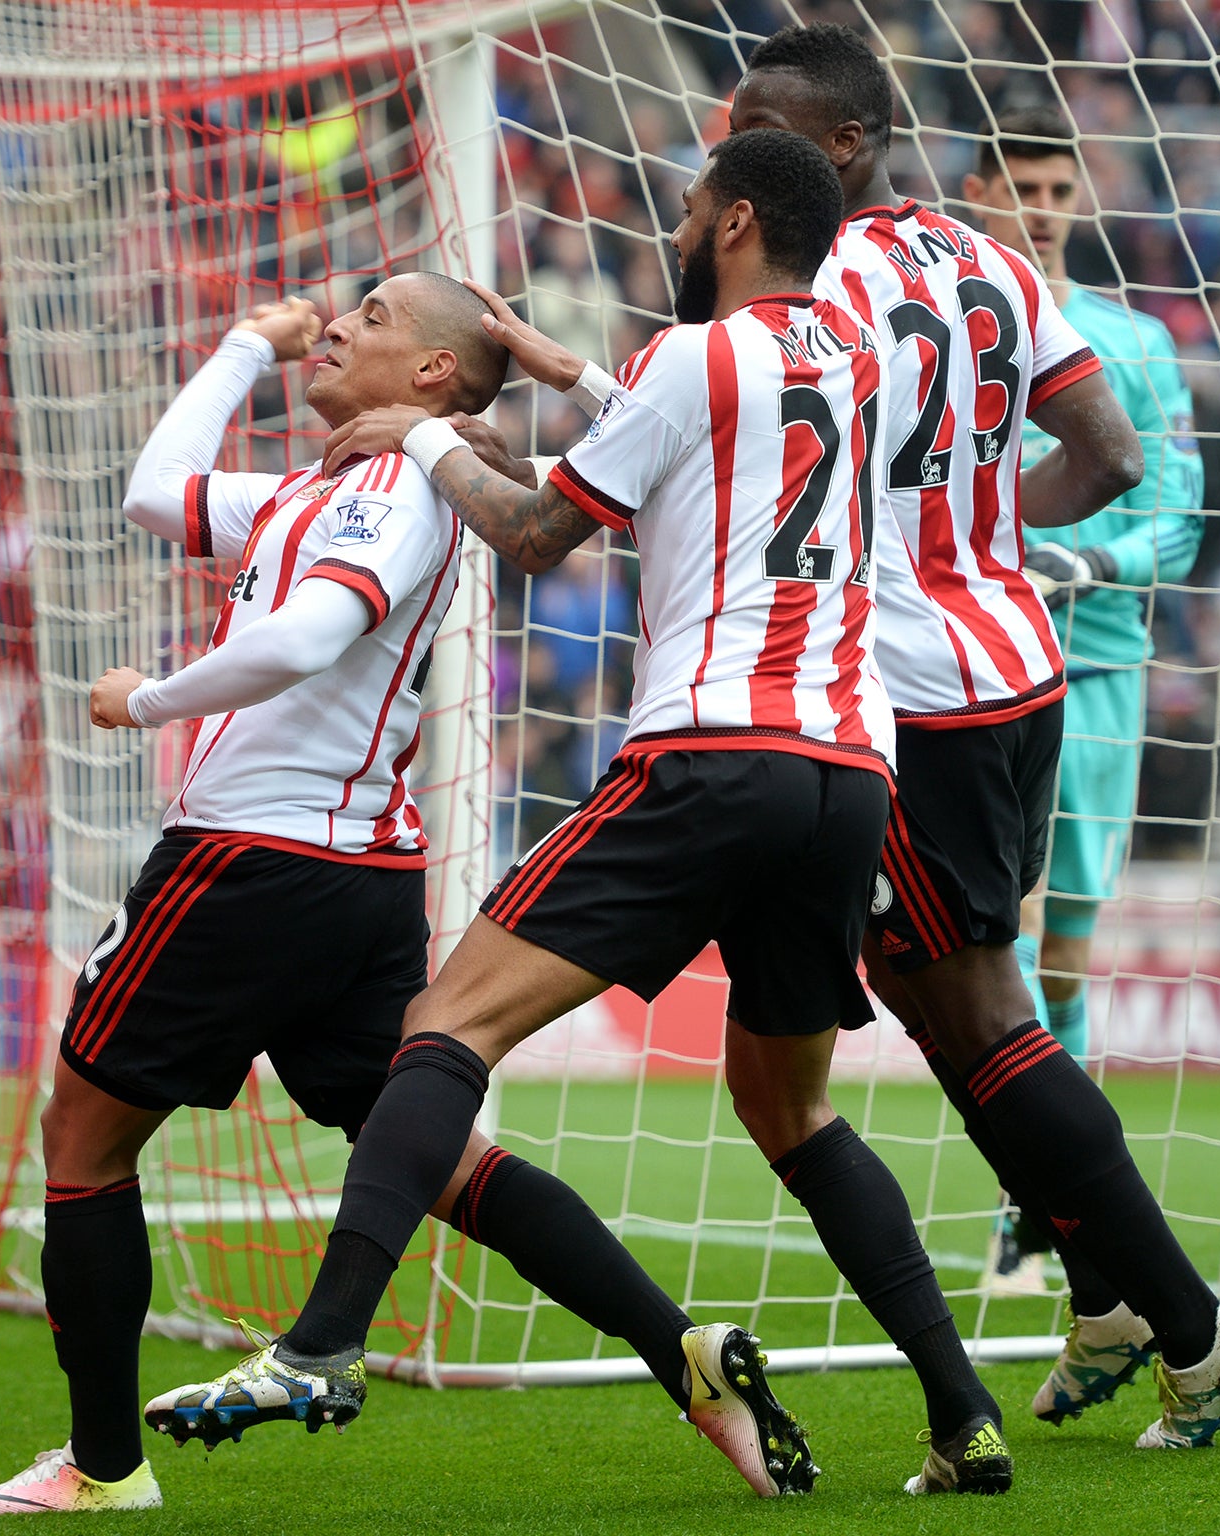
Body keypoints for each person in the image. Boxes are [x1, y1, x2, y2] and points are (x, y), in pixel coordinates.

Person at [151, 126, 1021, 1498]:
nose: (674, 228)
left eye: (688, 209)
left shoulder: (691, 357)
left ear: (734, 222)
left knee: (443, 1028)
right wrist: (564, 372)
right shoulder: (856, 358)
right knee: (790, 1113)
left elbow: (542, 533)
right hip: (850, 767)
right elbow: (729, 438)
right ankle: (963, 1413)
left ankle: (323, 1345)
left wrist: (431, 437)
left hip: (712, 751)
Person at [0, 276, 808, 1514]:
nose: (341, 320)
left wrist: (142, 700)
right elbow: (156, 492)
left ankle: (100, 1468)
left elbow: (305, 639)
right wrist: (248, 343)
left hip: (252, 860)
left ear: (432, 377)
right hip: (358, 878)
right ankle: (681, 1356)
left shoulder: (397, 485)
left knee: (82, 1138)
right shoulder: (310, 486)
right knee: (442, 1161)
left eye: (374, 313)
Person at [728, 23, 1220, 1451]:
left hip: (909, 695)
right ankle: (1105, 1296)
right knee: (949, 1005)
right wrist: (975, 531)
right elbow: (1109, 456)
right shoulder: (990, 263)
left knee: (980, 1016)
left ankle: (1196, 1327)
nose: (729, 157)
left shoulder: (810, 285)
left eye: (758, 132)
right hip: (1018, 667)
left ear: (841, 146)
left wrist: (906, 542)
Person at [959, 101, 1207, 1288]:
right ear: (979, 194)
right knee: (979, 949)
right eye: (1021, 187)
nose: (1044, 209)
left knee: (1059, 957)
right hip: (961, 662)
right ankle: (1032, 1189)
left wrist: (1094, 561)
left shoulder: (1135, 343)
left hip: (1094, 663)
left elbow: (1178, 513)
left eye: (1059, 191)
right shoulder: (943, 328)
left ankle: (1043, 1199)